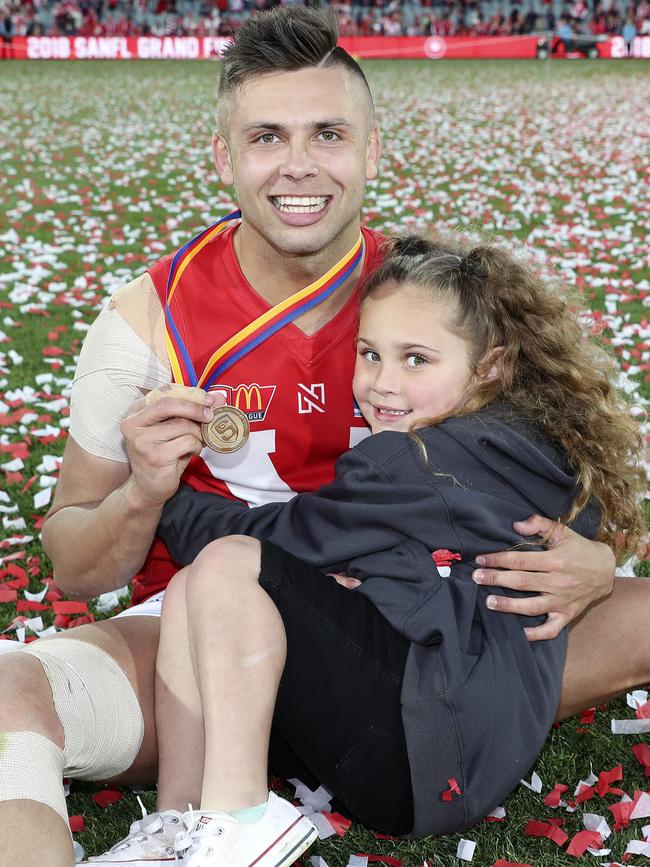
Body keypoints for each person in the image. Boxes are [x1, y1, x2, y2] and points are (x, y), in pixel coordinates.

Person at [0, 7, 646, 867]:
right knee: (12, 689)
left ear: (371, 152)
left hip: (423, 628)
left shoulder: (422, 299)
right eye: (267, 136)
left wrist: (594, 561)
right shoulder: (145, 322)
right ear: (225, 158)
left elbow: (555, 446)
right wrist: (143, 494)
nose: (299, 165)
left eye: (329, 134)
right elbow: (76, 565)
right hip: (203, 638)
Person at [151, 233, 646, 866]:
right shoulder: (527, 445)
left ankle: (236, 818)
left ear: (490, 366)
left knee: (224, 565)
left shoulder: (414, 459)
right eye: (370, 354)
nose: (383, 383)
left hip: (424, 748)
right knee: (194, 587)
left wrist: (165, 494)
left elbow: (282, 539)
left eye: (416, 359)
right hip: (459, 739)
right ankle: (175, 830)